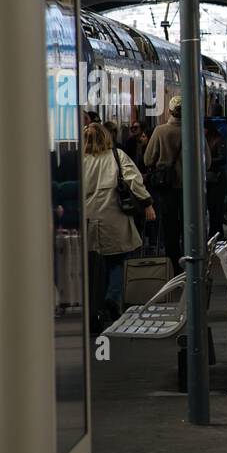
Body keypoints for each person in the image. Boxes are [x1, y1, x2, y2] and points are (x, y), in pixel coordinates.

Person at [82, 122, 155, 321]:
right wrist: (147, 203)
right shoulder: (117, 156)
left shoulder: (80, 160)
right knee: (117, 262)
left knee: (93, 265)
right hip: (114, 217)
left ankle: (95, 305)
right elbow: (134, 179)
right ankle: (112, 299)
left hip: (88, 219)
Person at [144, 95, 185, 272]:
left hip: (166, 186)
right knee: (187, 223)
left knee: (169, 225)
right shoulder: (194, 130)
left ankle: (174, 263)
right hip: (189, 189)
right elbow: (206, 162)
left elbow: (147, 159)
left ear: (169, 111)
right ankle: (190, 258)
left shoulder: (160, 131)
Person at [205, 118, 227, 238]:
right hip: (210, 179)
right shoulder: (207, 140)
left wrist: (207, 162)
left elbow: (223, 158)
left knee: (216, 209)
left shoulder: (217, 140)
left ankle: (217, 233)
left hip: (216, 179)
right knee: (212, 208)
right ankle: (214, 232)